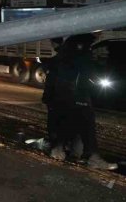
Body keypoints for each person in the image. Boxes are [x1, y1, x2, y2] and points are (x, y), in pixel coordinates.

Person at [42, 33, 117, 170]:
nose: (104, 51)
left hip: (67, 94)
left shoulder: (69, 51)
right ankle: (88, 156)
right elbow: (87, 74)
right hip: (76, 94)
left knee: (72, 122)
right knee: (85, 124)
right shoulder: (82, 52)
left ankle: (60, 148)